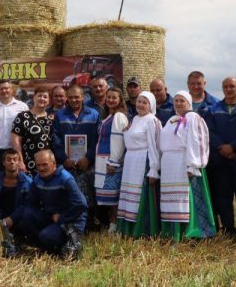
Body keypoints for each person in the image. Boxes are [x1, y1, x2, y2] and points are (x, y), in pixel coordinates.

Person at [3, 150, 87, 260]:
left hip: (69, 222)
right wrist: (12, 219)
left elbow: (81, 204)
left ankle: (72, 241)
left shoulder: (65, 178)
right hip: (51, 218)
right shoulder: (37, 179)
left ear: (54, 163)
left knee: (46, 236)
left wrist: (62, 218)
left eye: (45, 164)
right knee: (27, 213)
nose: (41, 168)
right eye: (38, 165)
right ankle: (40, 243)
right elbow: (29, 203)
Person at [155, 90, 216, 241]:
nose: (178, 103)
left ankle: (192, 231)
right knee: (172, 201)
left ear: (189, 103)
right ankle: (173, 232)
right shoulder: (172, 120)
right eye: (176, 100)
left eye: (182, 100)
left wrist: (192, 165)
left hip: (185, 163)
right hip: (170, 165)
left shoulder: (193, 118)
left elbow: (197, 141)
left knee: (187, 199)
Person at [204, 77, 236, 239]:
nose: (229, 89)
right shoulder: (213, 109)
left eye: (232, 86)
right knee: (223, 197)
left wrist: (233, 147)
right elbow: (210, 132)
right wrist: (223, 148)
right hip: (220, 161)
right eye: (226, 86)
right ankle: (229, 231)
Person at [52, 85, 100, 225]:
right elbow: (56, 140)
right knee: (70, 194)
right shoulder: (59, 115)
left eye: (77, 97)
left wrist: (88, 158)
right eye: (71, 97)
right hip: (68, 163)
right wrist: (64, 159)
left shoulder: (94, 114)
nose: (74, 100)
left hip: (88, 163)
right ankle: (73, 223)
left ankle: (91, 222)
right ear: (67, 98)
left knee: (90, 192)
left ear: (83, 97)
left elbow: (97, 139)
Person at [117, 92, 161, 238]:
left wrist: (154, 169)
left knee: (141, 196)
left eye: (144, 102)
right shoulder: (135, 119)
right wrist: (126, 132)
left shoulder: (152, 120)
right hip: (130, 161)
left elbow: (155, 145)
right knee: (129, 195)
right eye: (139, 101)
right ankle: (127, 230)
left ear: (151, 105)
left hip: (143, 160)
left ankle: (142, 230)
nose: (140, 105)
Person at [0, 150, 31, 257]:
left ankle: (18, 239)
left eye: (15, 159)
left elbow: (28, 205)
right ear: (3, 162)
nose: (12, 162)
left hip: (16, 217)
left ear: (19, 162)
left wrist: (12, 219)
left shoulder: (28, 182)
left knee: (27, 214)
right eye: (8, 159)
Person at [94, 88, 129, 232]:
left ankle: (114, 226)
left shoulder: (119, 116)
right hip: (103, 160)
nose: (110, 100)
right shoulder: (108, 115)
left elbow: (118, 141)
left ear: (120, 100)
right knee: (108, 197)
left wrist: (113, 161)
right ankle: (111, 224)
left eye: (114, 98)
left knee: (114, 197)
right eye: (108, 97)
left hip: (111, 161)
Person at [0, 80, 28, 176]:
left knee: (17, 179)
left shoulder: (22, 107)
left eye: (6, 88)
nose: (4, 91)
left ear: (12, 89)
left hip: (16, 150)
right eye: (1, 89)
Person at [11, 85, 54, 176]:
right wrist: (20, 161)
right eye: (39, 96)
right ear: (34, 98)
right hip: (29, 161)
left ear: (49, 100)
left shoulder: (52, 118)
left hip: (48, 163)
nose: (42, 99)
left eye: (45, 97)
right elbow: (16, 141)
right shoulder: (23, 116)